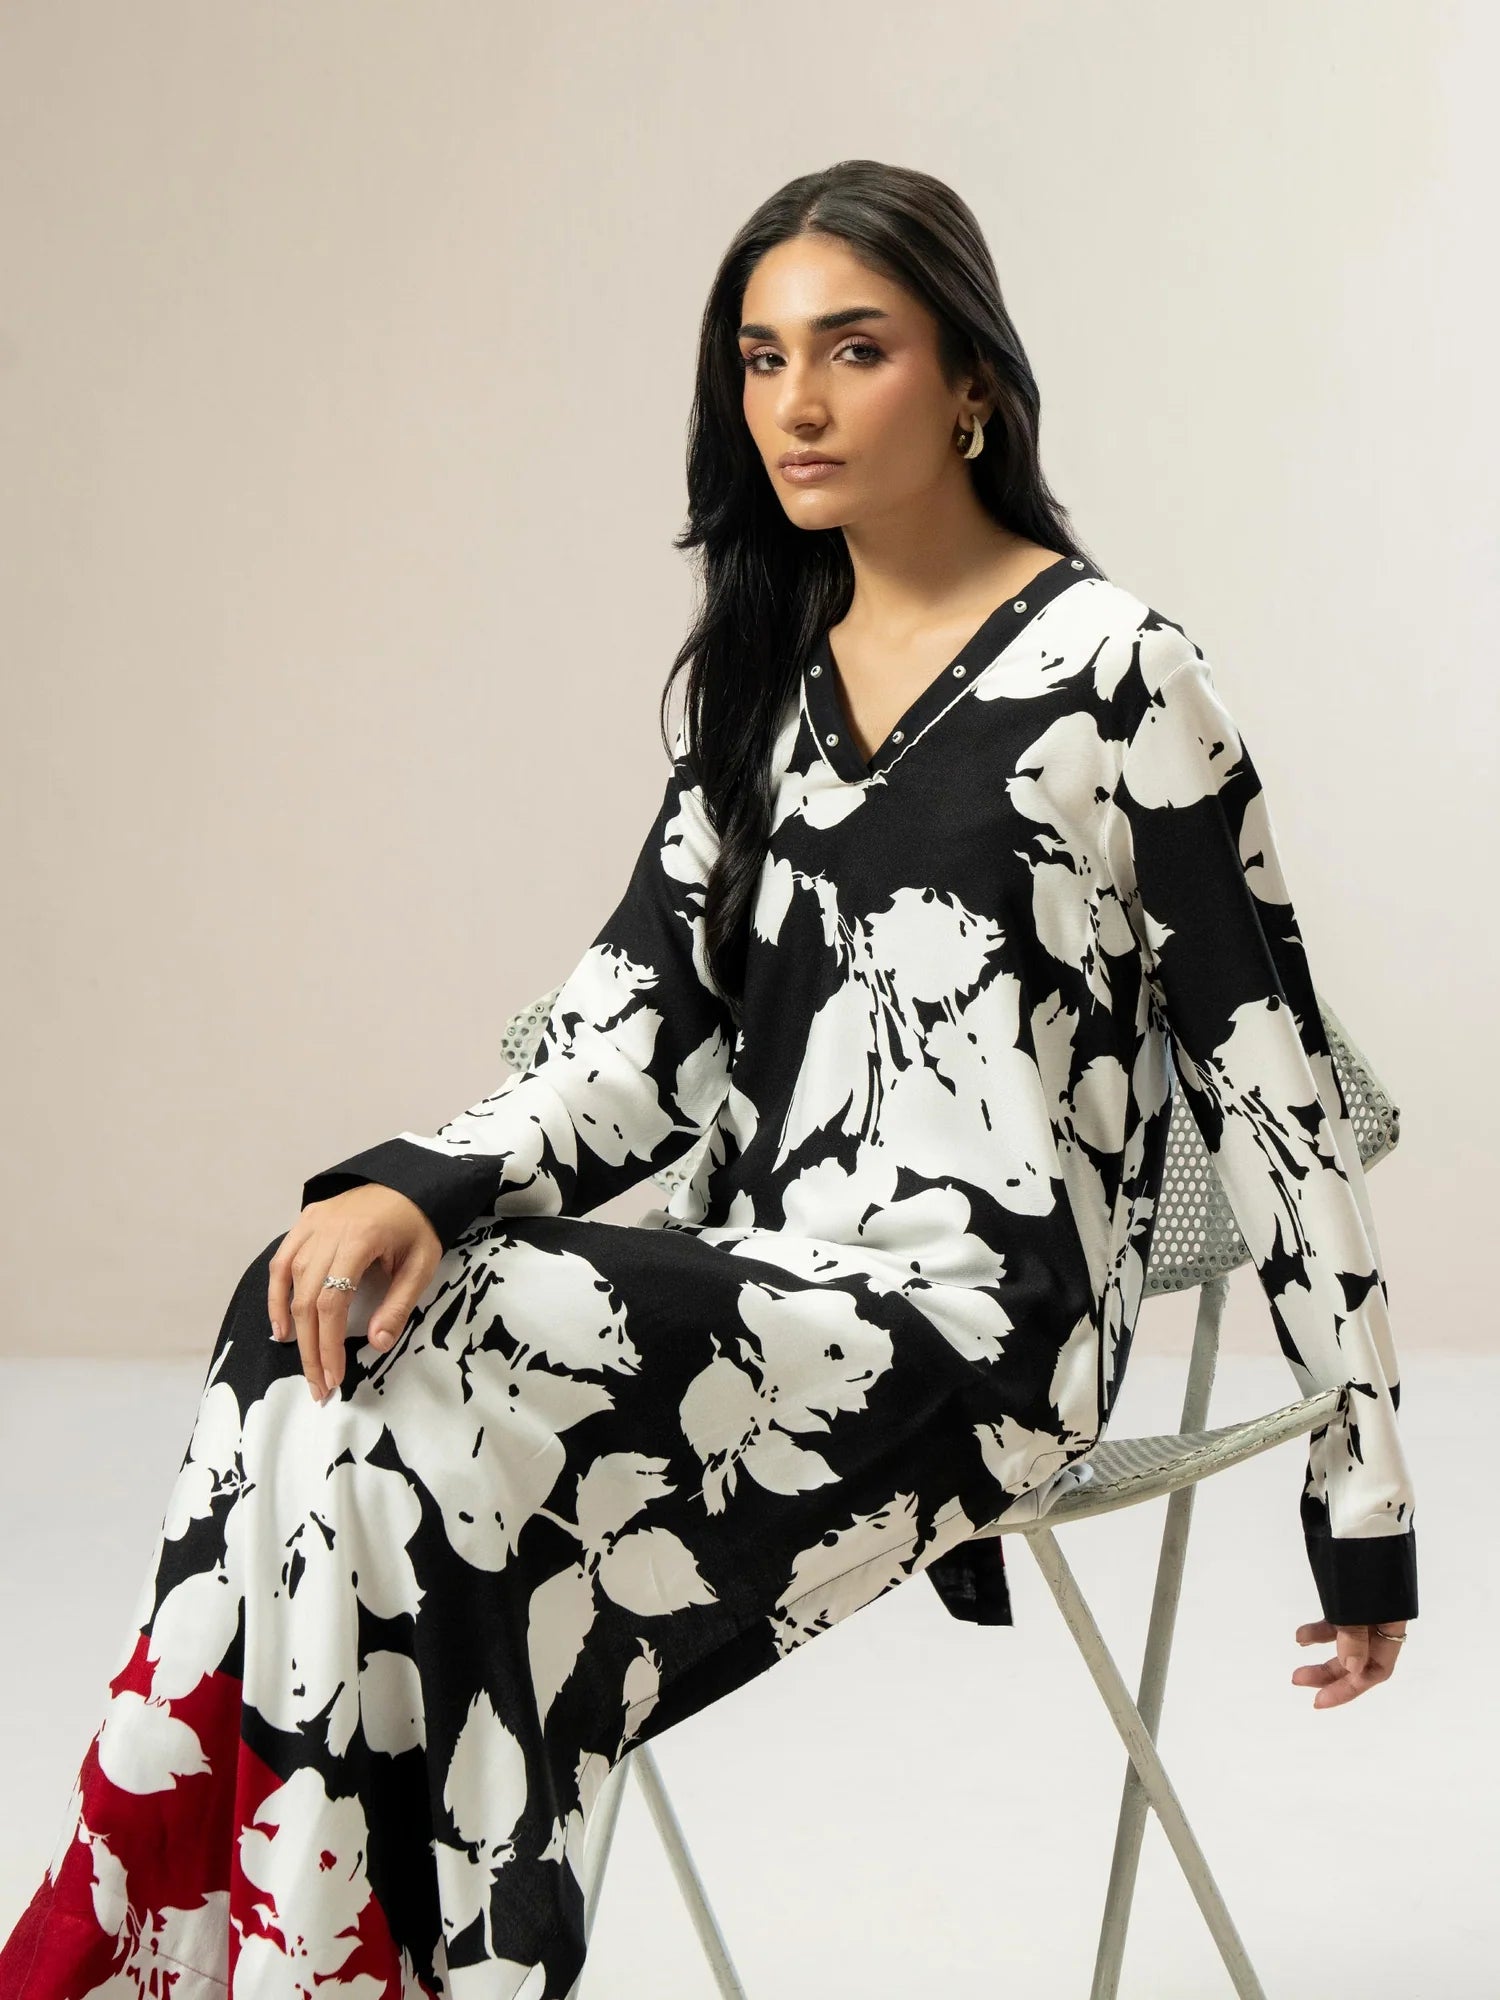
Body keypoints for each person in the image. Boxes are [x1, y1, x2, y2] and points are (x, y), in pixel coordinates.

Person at [0, 158, 1417, 2000]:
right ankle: (314, 1954)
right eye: (760, 359)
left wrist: (1363, 1502)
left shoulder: (1121, 675)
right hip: (759, 1287)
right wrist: (420, 1185)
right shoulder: (765, 685)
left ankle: (211, 1945)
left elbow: (1273, 1087)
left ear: (971, 381)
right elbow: (630, 1033)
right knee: (315, 1326)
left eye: (855, 349)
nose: (797, 406)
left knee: (431, 1383)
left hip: (980, 1335)